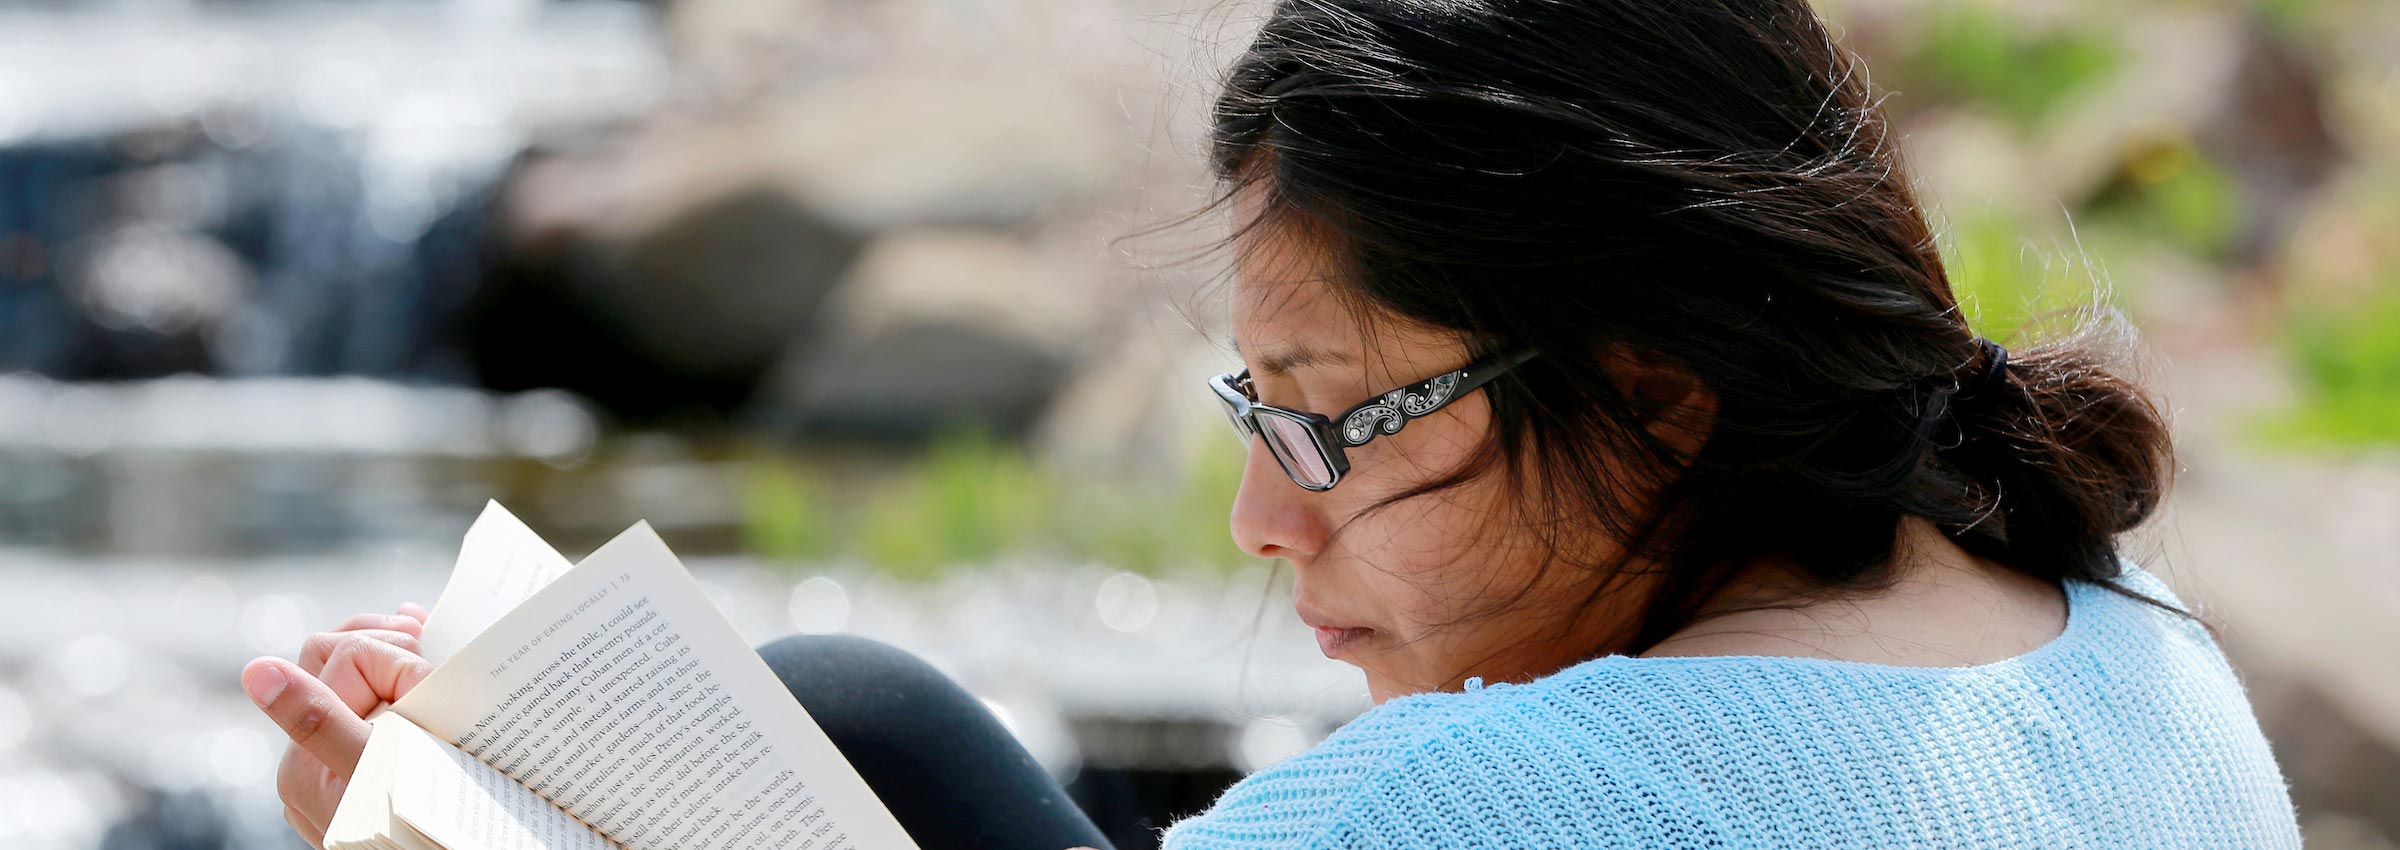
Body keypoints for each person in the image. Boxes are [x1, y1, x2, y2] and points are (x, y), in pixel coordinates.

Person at [245, 0, 2304, 846]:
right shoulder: (2133, 641)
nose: (1255, 514)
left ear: (1659, 394)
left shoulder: (1467, 805)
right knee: (858, 711)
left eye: (1332, 418)